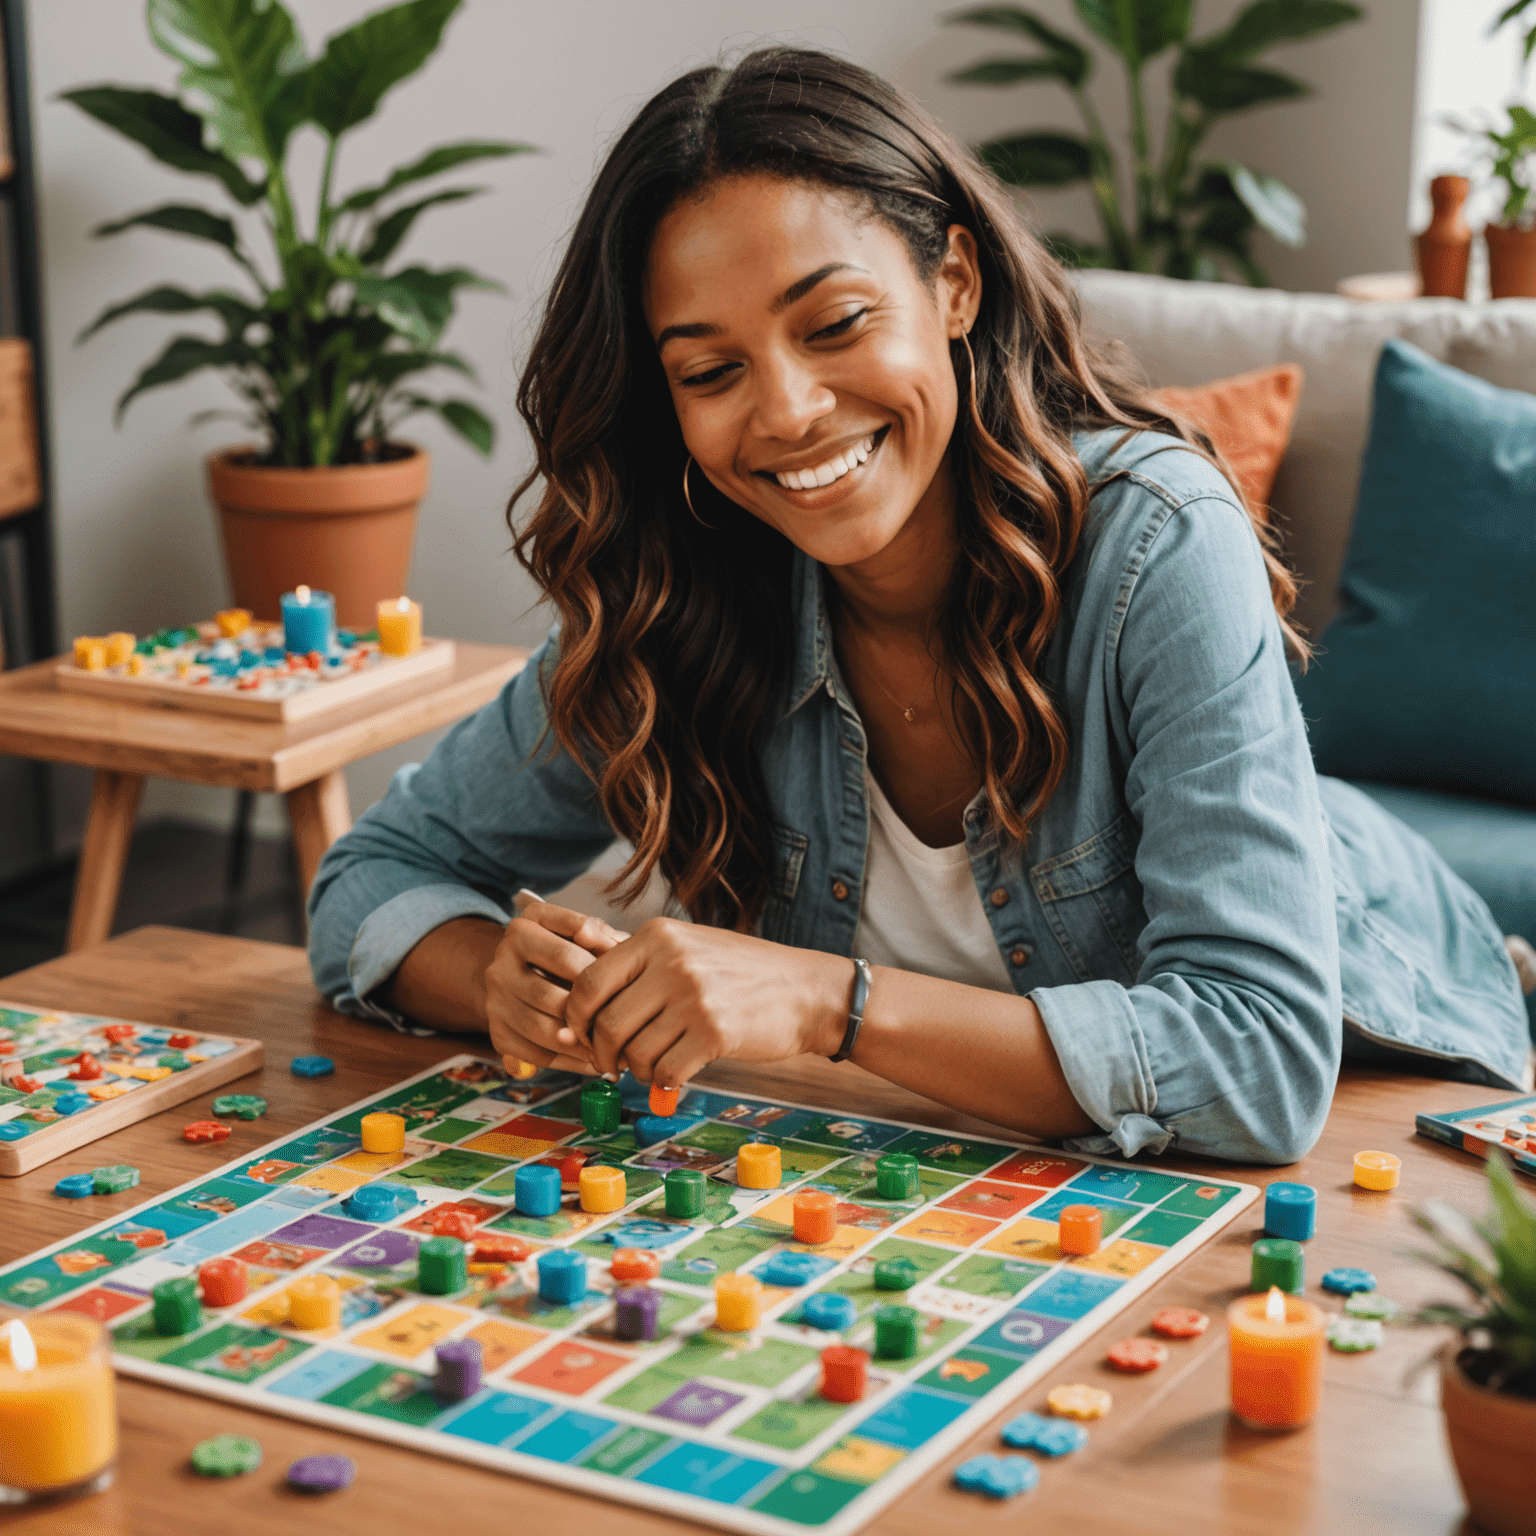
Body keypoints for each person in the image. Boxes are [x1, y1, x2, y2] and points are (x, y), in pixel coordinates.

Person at [309, 48, 1530, 1166]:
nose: (785, 411)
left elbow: (1258, 1065)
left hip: (1405, 1068)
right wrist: (502, 985)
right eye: (710, 371)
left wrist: (820, 1002)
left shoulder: (1160, 540)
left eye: (834, 324)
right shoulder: (677, 586)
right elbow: (372, 876)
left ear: (954, 281)